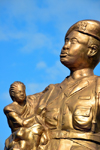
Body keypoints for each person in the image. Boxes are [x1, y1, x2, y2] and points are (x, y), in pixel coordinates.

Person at [4, 20, 100, 150]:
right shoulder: (50, 92)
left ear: (92, 50)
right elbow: (22, 107)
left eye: (73, 42)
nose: (65, 46)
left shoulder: (98, 87)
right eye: (66, 41)